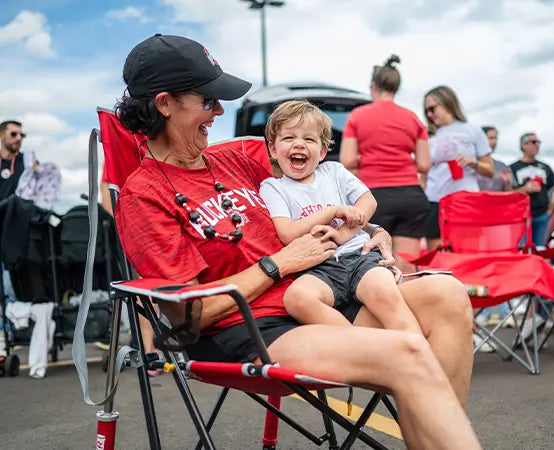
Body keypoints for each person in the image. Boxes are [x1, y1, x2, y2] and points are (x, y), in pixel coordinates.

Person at [109, 34, 477, 447]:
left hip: (322, 290)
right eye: (207, 100)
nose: (219, 110)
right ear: (164, 104)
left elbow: (312, 181)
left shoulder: (235, 158)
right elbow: (192, 316)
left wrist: (372, 231)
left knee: (449, 295)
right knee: (406, 351)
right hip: (250, 328)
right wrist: (279, 263)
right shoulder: (143, 197)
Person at [258, 100, 421, 335]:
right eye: (289, 138)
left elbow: (368, 202)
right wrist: (331, 212)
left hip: (360, 256)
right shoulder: (273, 187)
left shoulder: (333, 171)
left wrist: (343, 234)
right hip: (318, 267)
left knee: (387, 297)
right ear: (273, 149)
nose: (299, 144)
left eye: (309, 139)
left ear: (322, 151)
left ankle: (416, 354)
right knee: (297, 298)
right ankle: (362, 346)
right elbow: (287, 233)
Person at [341, 55, 433, 272]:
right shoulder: (413, 118)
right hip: (410, 196)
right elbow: (424, 164)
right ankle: (410, 303)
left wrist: (368, 156)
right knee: (407, 264)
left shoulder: (357, 116)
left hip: (374, 196)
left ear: (374, 86)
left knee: (375, 262)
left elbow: (347, 160)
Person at [0, 119, 57, 379]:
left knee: (12, 288)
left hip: (17, 234)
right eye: (14, 134)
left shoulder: (26, 162)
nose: (19, 138)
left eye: (22, 134)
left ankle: (10, 338)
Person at [423, 85, 497, 250]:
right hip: (435, 200)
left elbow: (490, 170)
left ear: (446, 102)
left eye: (432, 108)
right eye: (426, 110)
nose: (429, 114)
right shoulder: (428, 135)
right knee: (435, 255)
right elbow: (423, 172)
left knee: (468, 251)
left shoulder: (472, 130)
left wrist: (472, 163)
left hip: (465, 199)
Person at [508, 132, 554, 248]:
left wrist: (550, 212)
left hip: (542, 215)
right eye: (533, 142)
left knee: (540, 250)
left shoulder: (545, 168)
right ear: (524, 145)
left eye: (538, 142)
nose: (537, 145)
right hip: (521, 218)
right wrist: (525, 189)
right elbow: (508, 194)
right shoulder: (513, 168)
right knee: (522, 250)